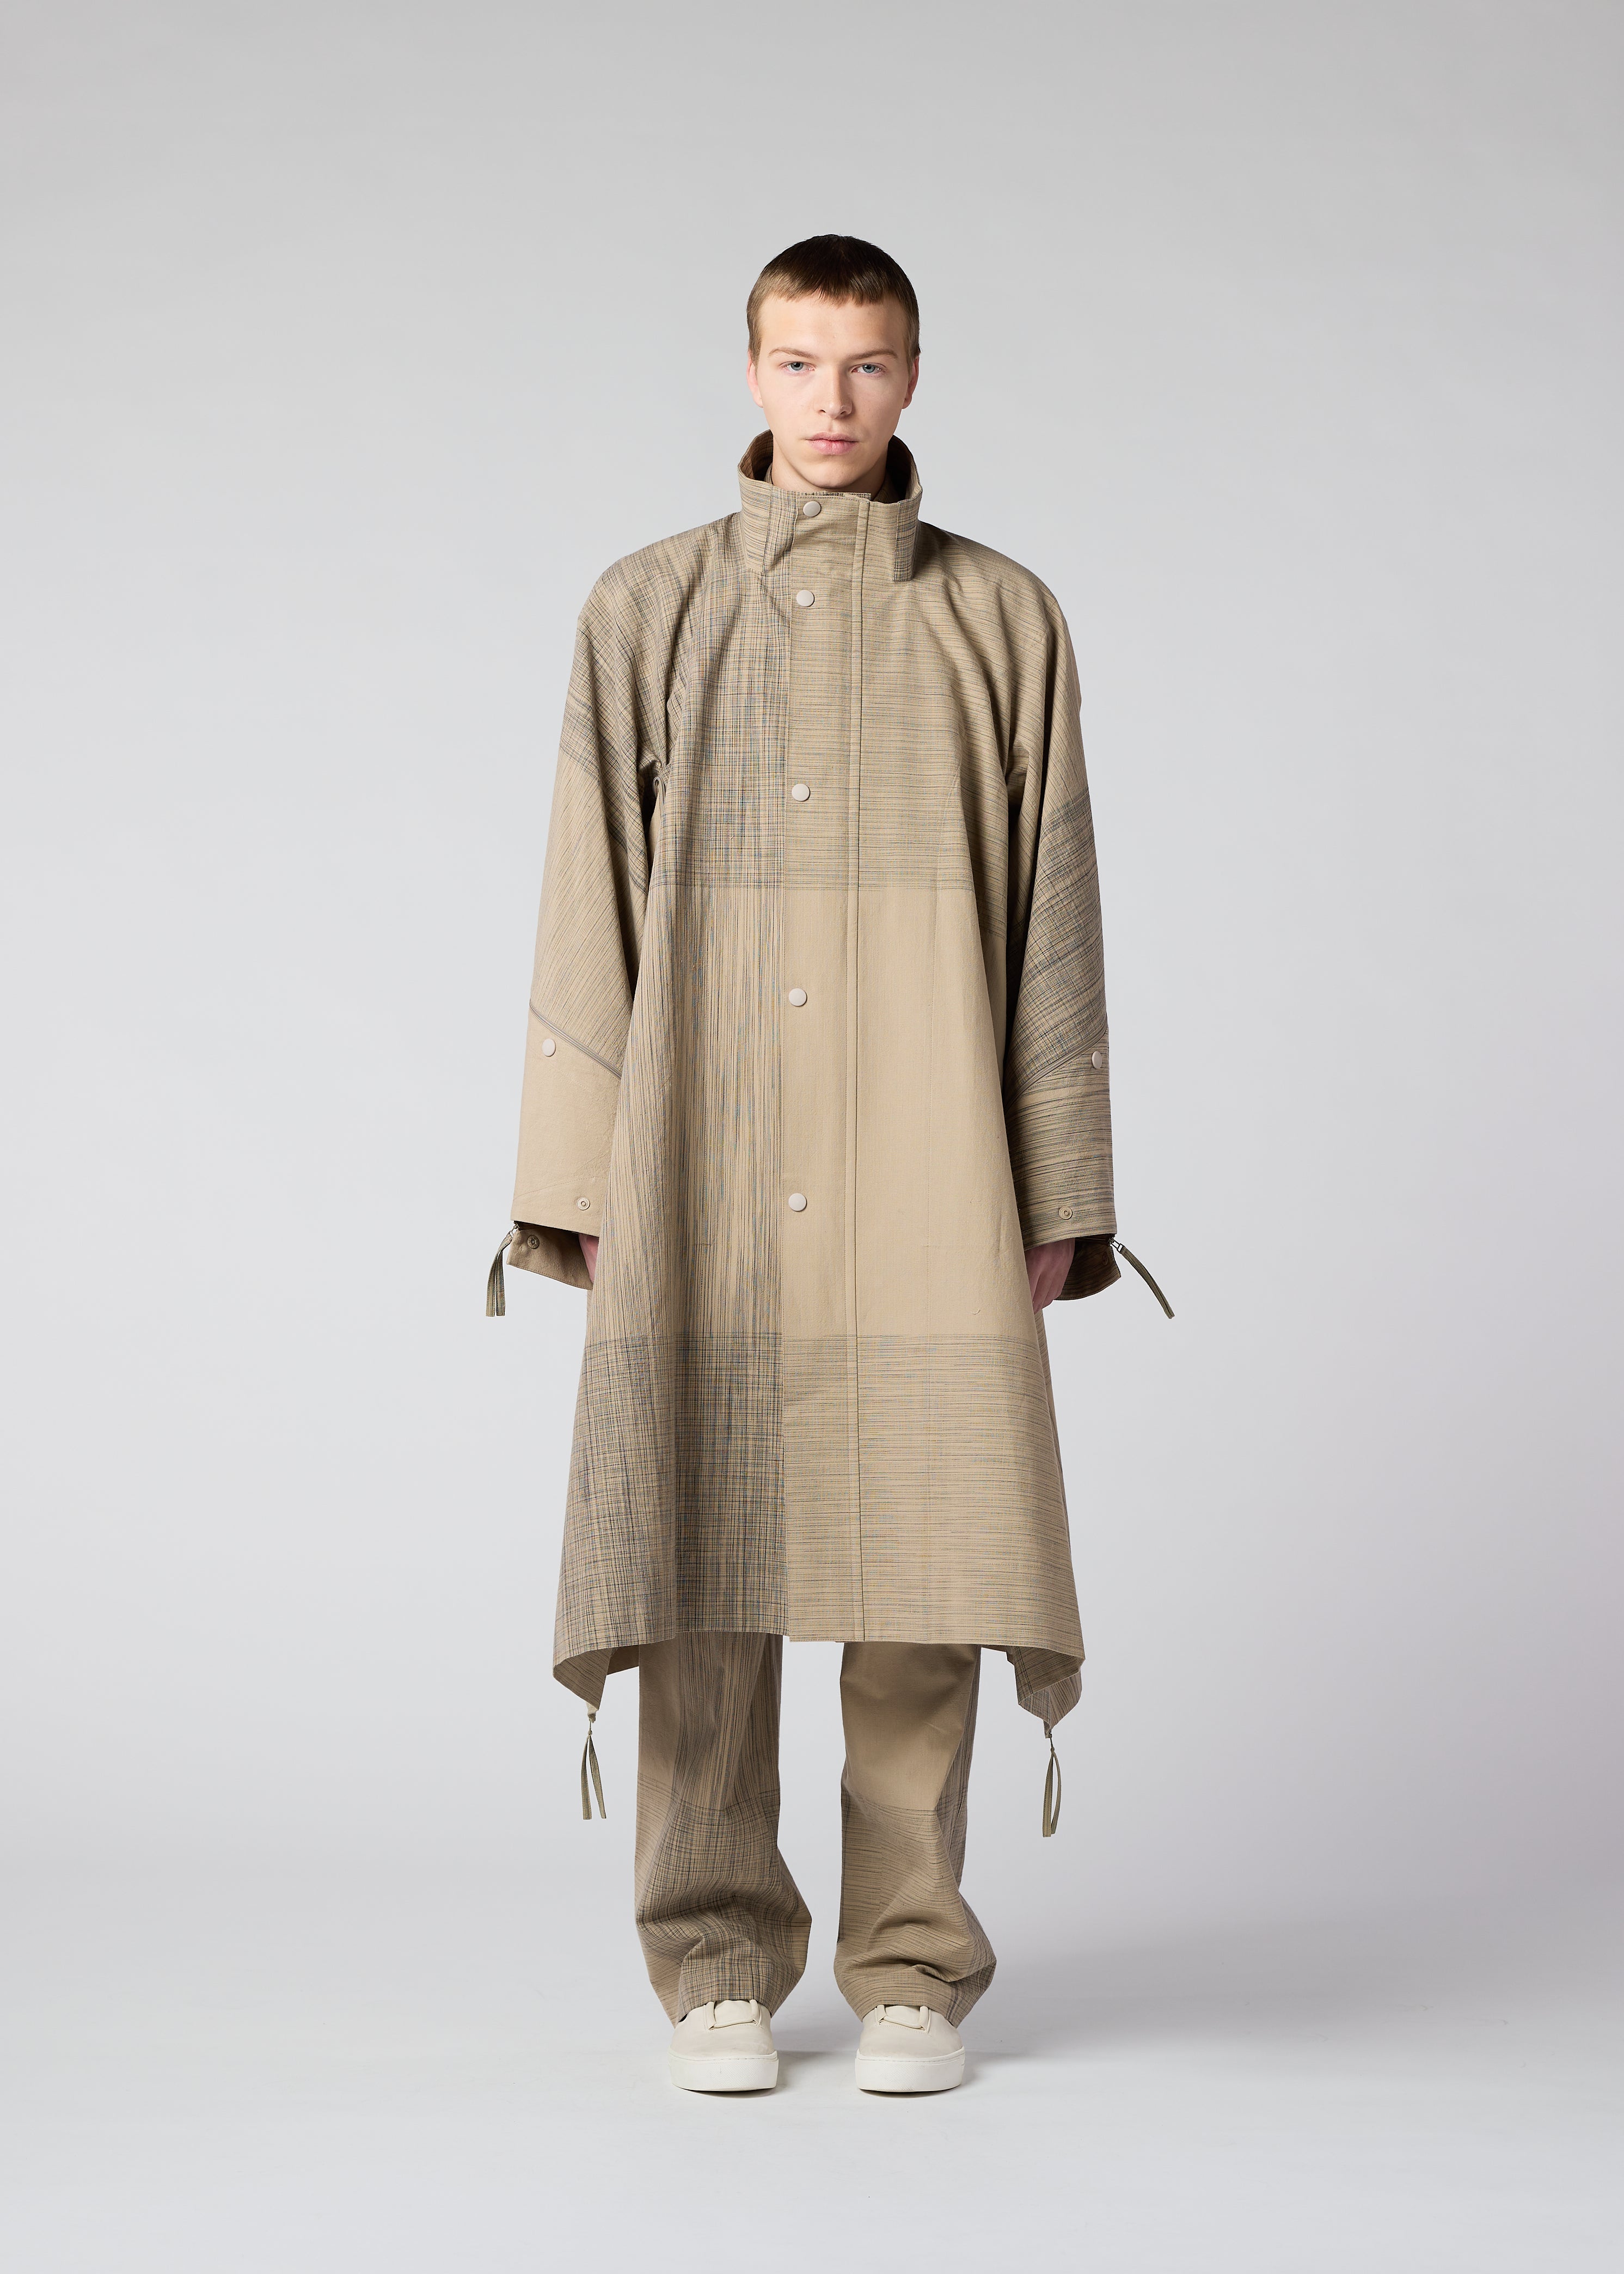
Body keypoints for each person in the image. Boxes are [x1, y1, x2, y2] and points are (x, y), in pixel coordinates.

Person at [488, 234, 1165, 2095]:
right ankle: (714, 1963)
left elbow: (1055, 920)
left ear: (914, 375)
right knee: (701, 1559)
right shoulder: (646, 609)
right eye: (798, 362)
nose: (832, 399)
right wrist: (579, 1188)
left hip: (929, 1149)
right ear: (752, 372)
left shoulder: (1004, 619)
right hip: (701, 1153)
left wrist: (1060, 1192)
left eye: (866, 363)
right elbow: (583, 905)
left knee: (925, 1559)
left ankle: (913, 1973)